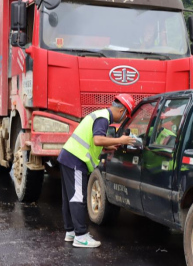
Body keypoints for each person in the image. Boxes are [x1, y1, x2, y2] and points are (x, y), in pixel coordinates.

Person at [57, 94, 136, 248]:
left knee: (69, 197)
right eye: (126, 115)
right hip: (75, 160)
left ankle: (71, 231)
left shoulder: (99, 114)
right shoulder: (103, 119)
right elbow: (97, 139)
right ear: (121, 111)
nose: (124, 118)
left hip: (68, 157)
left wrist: (107, 146)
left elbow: (93, 141)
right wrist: (121, 140)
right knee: (78, 197)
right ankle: (80, 236)